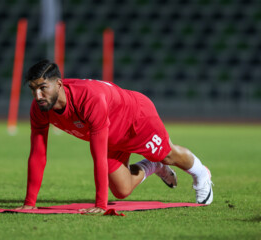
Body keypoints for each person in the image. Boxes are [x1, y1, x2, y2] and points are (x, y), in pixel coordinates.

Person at [17, 60, 213, 213]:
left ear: (58, 84)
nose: (38, 95)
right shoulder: (40, 108)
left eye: (43, 87)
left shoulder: (89, 98)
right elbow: (38, 154)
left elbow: (98, 156)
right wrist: (29, 203)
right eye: (33, 89)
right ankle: (153, 166)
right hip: (110, 134)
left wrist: (101, 205)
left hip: (136, 119)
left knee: (168, 154)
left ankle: (201, 175)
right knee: (121, 191)